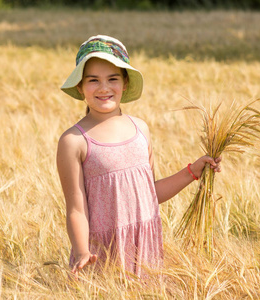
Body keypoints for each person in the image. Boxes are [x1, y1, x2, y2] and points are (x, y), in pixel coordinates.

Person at [56, 35, 221, 278]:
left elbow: (149, 193)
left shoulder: (141, 129)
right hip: (102, 252)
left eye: (112, 79)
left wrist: (192, 171)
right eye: (93, 80)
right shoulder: (74, 141)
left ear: (125, 83)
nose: (104, 87)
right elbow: (76, 210)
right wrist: (81, 251)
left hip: (145, 247)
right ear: (80, 87)